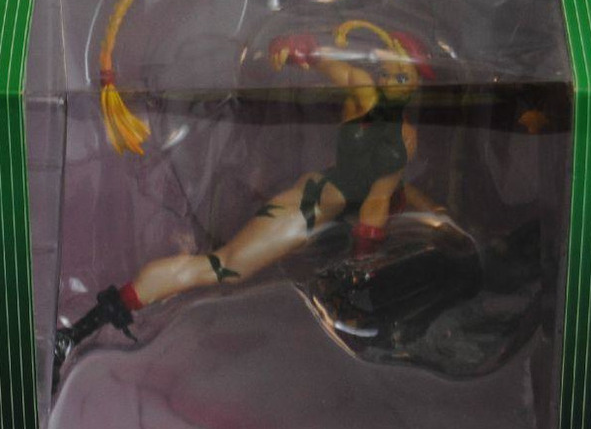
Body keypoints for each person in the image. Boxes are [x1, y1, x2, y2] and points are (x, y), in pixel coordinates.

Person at [53, 21, 444, 385]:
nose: (392, 80)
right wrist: (305, 52)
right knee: (223, 267)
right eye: (388, 71)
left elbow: (380, 199)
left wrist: (367, 260)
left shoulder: (406, 136)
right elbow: (338, 70)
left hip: (338, 224)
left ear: (416, 84)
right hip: (311, 207)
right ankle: (81, 330)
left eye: (403, 76)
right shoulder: (366, 97)